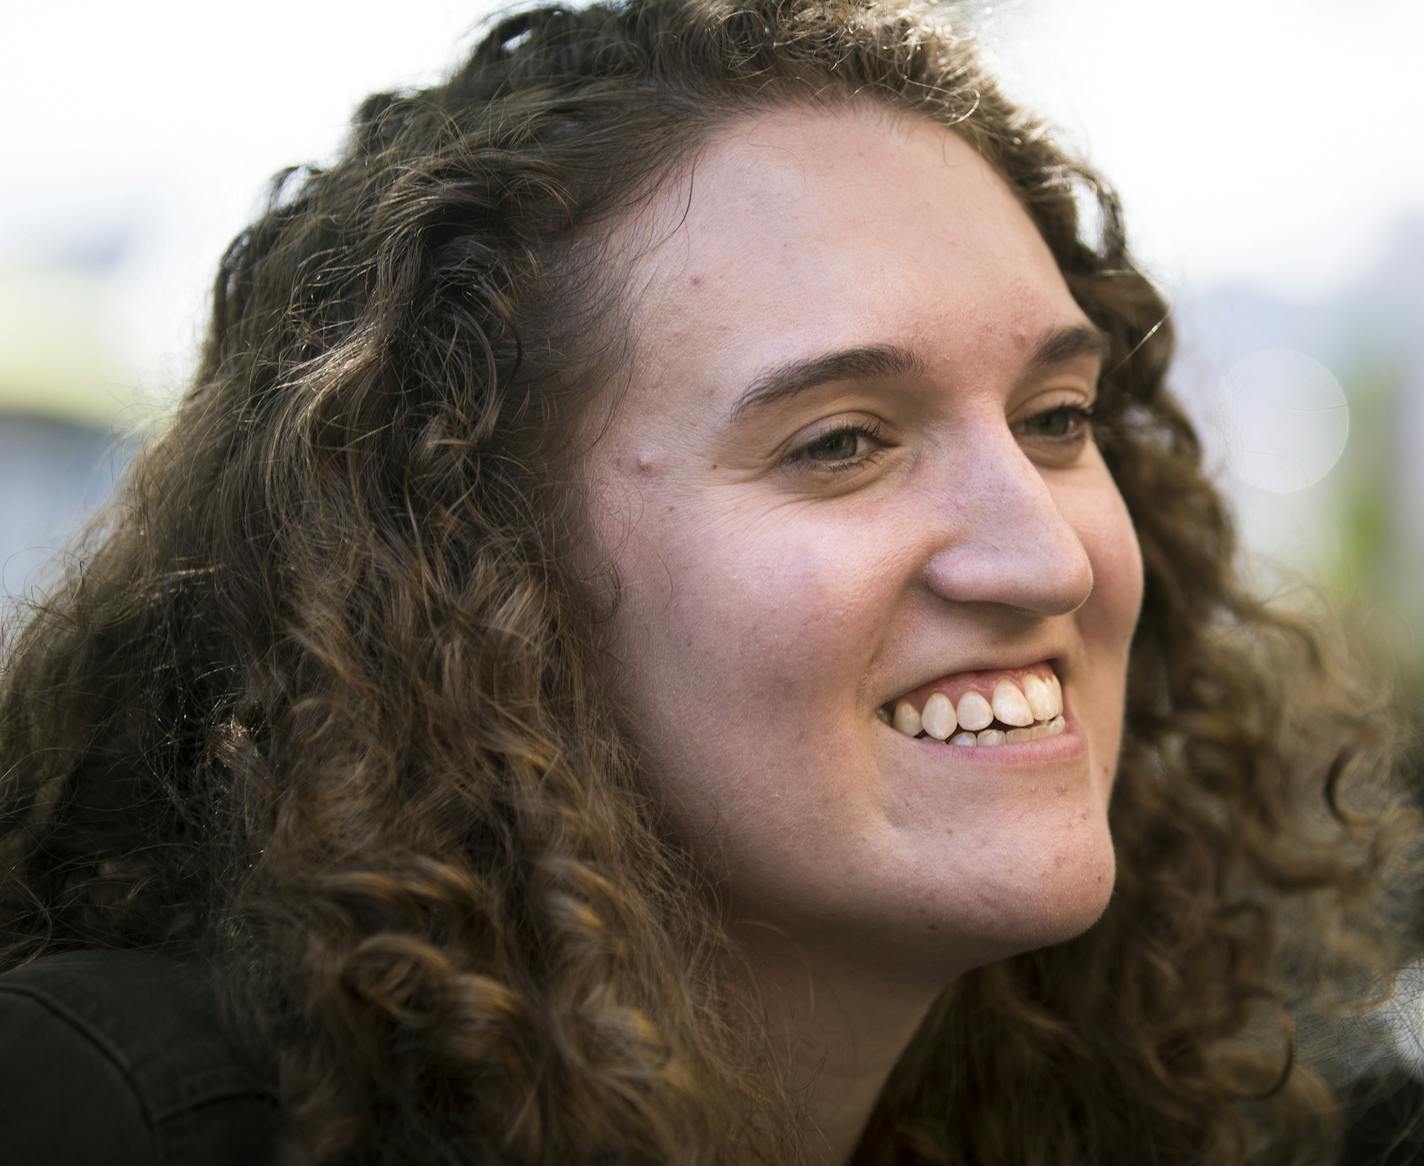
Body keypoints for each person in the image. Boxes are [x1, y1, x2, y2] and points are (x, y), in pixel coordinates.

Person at [1, 1, 1419, 1163]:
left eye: (1055, 420)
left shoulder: (1178, 1111)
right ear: (480, 572)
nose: (1046, 553)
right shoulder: (124, 1116)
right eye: (842, 442)